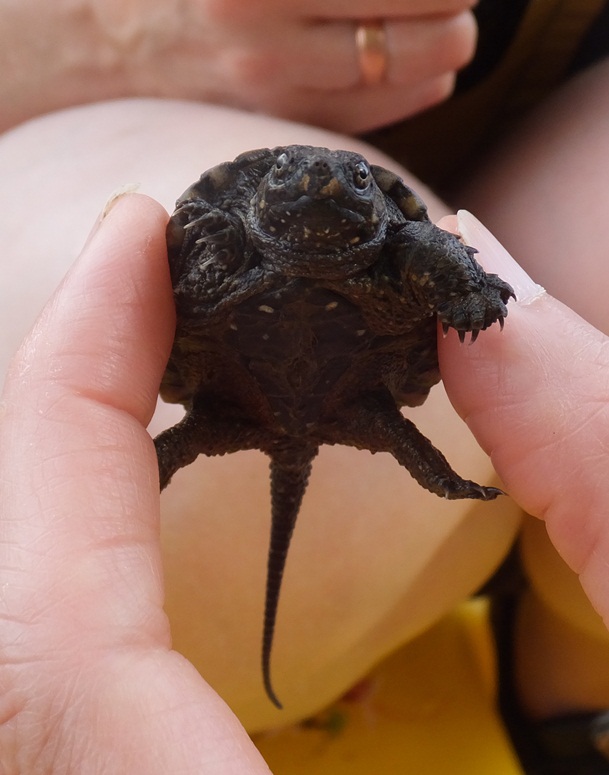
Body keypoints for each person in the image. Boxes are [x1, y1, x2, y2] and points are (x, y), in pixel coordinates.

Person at [2, 0, 609, 771]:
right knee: (221, 499)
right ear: (263, 199)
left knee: (526, 353)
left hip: (555, 75)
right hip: (134, 100)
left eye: (345, 186)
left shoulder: (399, 244)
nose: (321, 186)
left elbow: (428, 249)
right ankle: (113, 707)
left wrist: (464, 285)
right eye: (297, 181)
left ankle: (567, 659)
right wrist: (102, 32)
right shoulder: (225, 232)